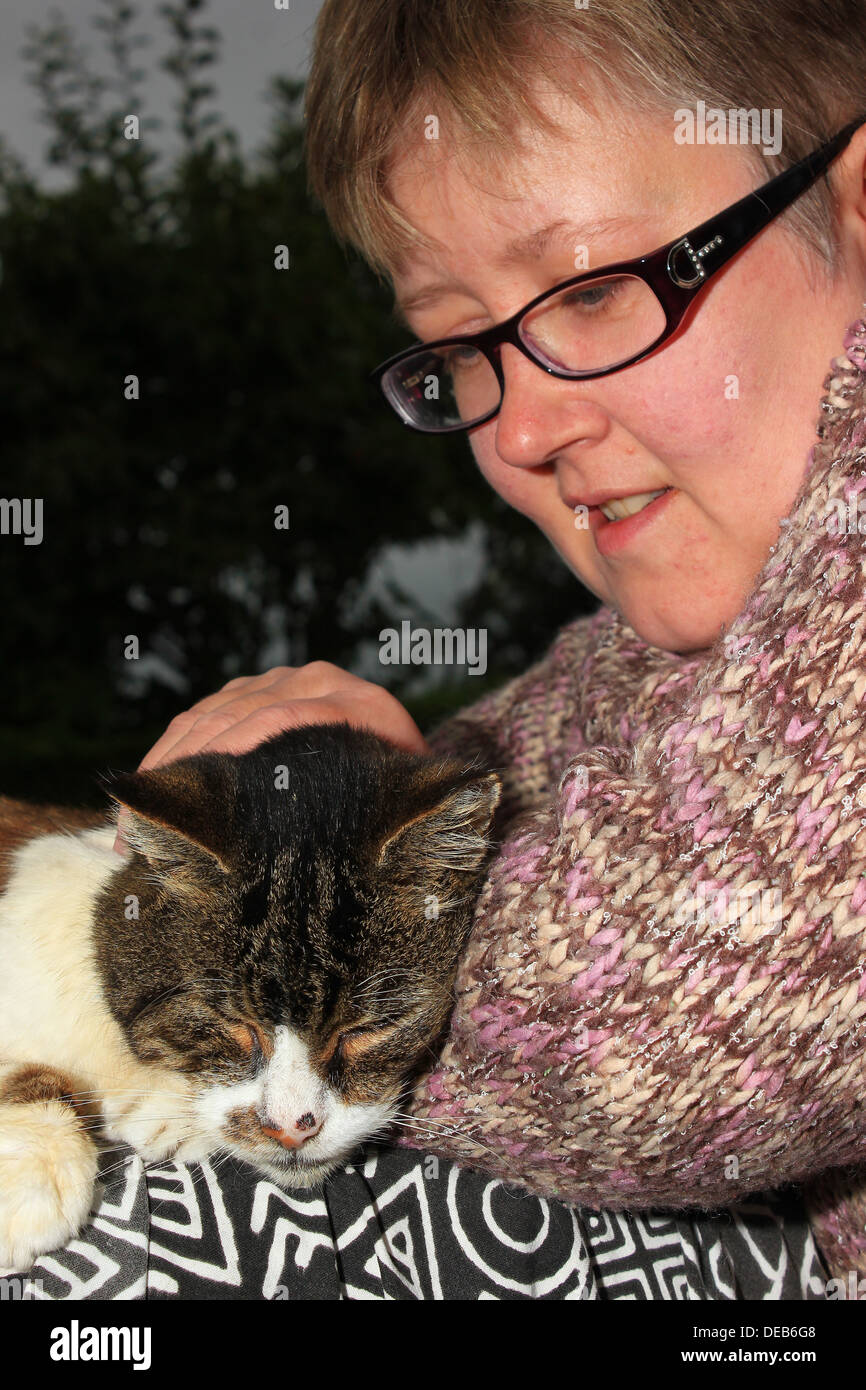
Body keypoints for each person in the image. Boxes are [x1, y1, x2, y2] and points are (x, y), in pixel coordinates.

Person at [35, 0, 866, 1299]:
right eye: (458, 347)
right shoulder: (651, 667)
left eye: (592, 290)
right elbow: (515, 786)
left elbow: (667, 1028)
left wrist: (228, 952)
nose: (519, 431)